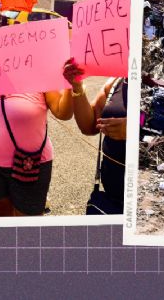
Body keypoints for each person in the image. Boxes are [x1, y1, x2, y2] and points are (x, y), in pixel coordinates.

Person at [0, 58, 74, 217]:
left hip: (31, 164)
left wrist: (71, 87)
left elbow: (63, 113)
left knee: (27, 227)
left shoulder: (39, 77)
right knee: (4, 217)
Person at [63, 59, 128, 212]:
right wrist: (77, 86)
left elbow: (153, 115)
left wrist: (135, 125)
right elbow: (89, 126)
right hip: (112, 194)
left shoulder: (155, 83)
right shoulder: (116, 82)